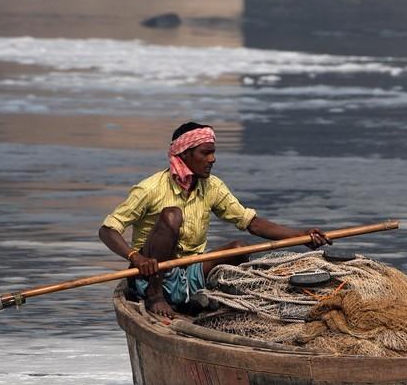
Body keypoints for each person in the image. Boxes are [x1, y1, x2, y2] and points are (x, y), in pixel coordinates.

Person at [100, 122, 330, 318]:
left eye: (213, 152)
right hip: (152, 276)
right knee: (172, 215)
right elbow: (108, 230)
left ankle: (194, 300)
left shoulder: (212, 187)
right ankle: (155, 297)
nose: (213, 159)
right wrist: (136, 257)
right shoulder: (150, 188)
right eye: (205, 153)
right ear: (185, 154)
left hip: (192, 273)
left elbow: (252, 223)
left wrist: (301, 236)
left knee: (239, 249)